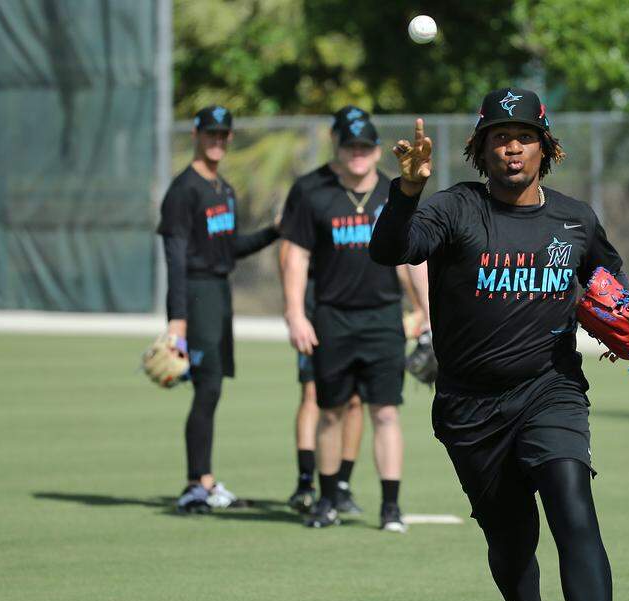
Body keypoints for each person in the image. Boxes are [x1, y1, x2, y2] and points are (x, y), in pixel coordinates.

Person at [370, 88, 629, 601]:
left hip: (551, 388)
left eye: (524, 137)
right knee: (512, 538)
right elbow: (388, 249)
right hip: (470, 405)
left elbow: (611, 288)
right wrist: (408, 190)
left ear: (545, 148)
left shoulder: (575, 220)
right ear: (481, 148)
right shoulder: (454, 208)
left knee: (572, 506)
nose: (512, 148)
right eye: (500, 137)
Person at [281, 106, 429, 532]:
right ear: (338, 146)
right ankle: (327, 500)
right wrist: (295, 313)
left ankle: (390, 508)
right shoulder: (313, 191)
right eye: (351, 145)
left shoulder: (394, 192)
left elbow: (411, 258)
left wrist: (425, 311)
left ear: (377, 149)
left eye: (366, 146)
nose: (358, 153)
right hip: (331, 316)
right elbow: (296, 257)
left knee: (385, 412)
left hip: (384, 316)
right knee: (329, 410)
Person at [157, 105, 281, 514]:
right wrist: (177, 321)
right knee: (206, 388)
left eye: (224, 134)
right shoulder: (184, 190)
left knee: (212, 388)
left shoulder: (223, 189)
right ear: (196, 135)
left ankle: (205, 480)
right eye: (210, 133)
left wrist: (274, 232)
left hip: (219, 293)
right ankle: (197, 483)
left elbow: (231, 247)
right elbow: (174, 256)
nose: (218, 140)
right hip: (196, 293)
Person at [279, 241, 366, 515]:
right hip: (318, 308)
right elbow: (288, 254)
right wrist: (294, 311)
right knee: (313, 395)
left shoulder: (376, 201)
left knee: (354, 400)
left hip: (362, 310)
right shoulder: (315, 199)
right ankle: (306, 482)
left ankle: (341, 485)